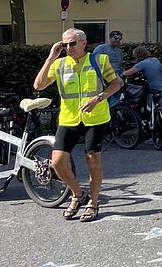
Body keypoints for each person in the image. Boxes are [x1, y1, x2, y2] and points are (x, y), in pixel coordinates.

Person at [33, 27, 122, 222]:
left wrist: (99, 98)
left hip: (95, 117)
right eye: (64, 44)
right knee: (56, 162)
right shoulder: (59, 64)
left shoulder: (99, 60)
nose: (68, 47)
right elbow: (38, 86)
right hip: (69, 118)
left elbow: (117, 84)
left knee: (92, 160)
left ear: (83, 43)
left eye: (72, 43)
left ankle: (93, 202)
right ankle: (79, 194)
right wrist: (50, 58)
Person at [123, 45, 162, 140]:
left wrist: (118, 75)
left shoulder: (142, 64)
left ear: (137, 55)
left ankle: (157, 133)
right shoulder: (156, 60)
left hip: (157, 90)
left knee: (152, 109)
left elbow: (127, 73)